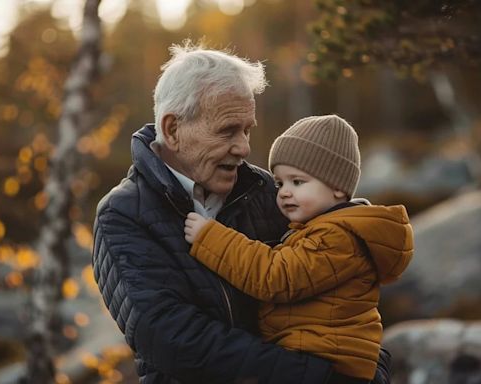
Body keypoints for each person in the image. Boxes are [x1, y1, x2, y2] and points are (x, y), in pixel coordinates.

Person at [92, 41, 392, 384]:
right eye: (228, 130)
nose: (245, 147)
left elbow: (343, 294)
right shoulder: (123, 214)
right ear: (173, 129)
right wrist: (316, 378)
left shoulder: (268, 193)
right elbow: (172, 337)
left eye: (247, 129)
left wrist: (372, 371)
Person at [184, 115, 414, 383]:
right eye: (280, 183)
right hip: (314, 359)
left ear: (338, 187)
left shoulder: (337, 238)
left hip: (329, 366)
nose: (283, 192)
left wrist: (211, 238)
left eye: (298, 182)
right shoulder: (320, 229)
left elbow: (276, 277)